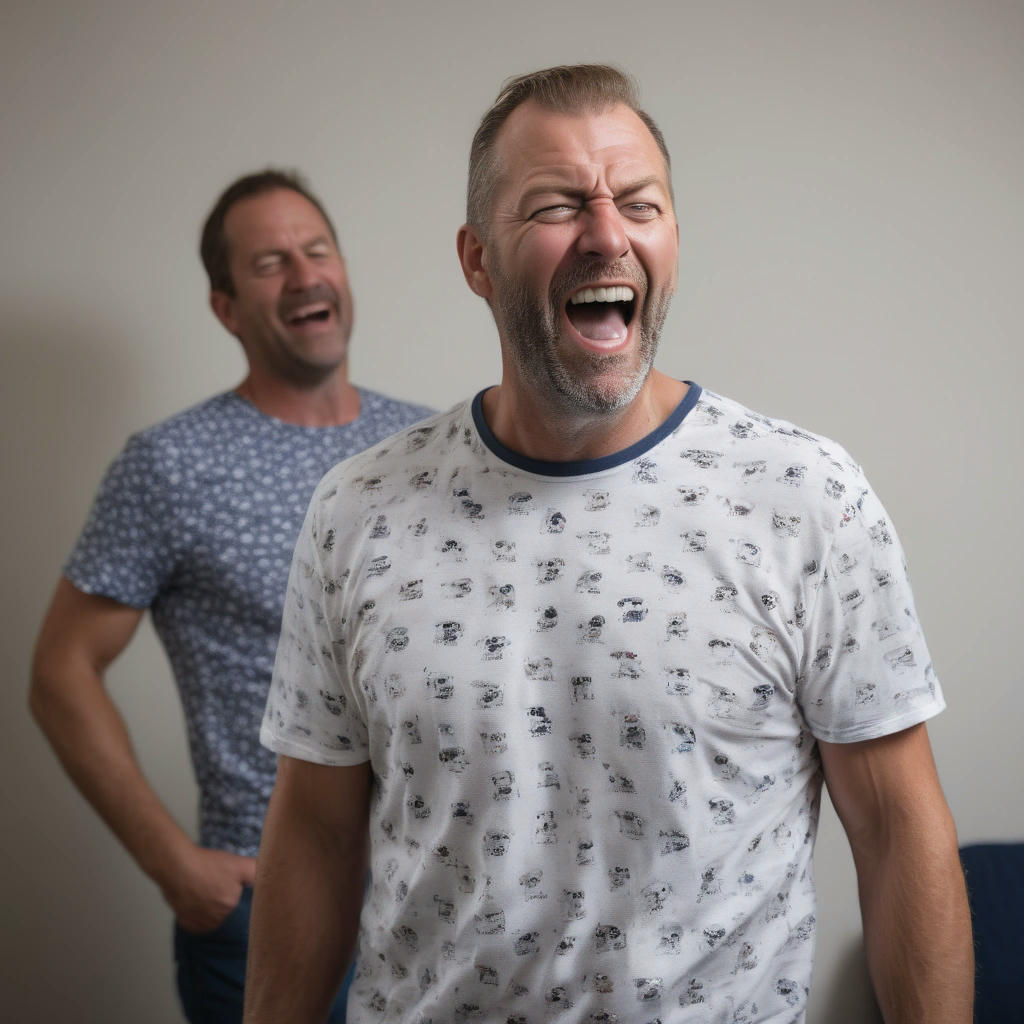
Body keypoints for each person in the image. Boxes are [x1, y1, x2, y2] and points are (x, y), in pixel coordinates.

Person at [246, 68, 973, 1024]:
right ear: (476, 260)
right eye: (555, 205)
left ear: (672, 237)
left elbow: (894, 831)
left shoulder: (804, 498)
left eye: (640, 203)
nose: (606, 232)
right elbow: (316, 838)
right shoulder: (358, 511)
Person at [29, 169, 433, 1023]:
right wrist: (175, 863)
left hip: (434, 902)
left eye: (317, 250)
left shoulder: (430, 449)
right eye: (269, 263)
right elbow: (60, 671)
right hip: (265, 909)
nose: (304, 275)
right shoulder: (169, 465)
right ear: (226, 307)